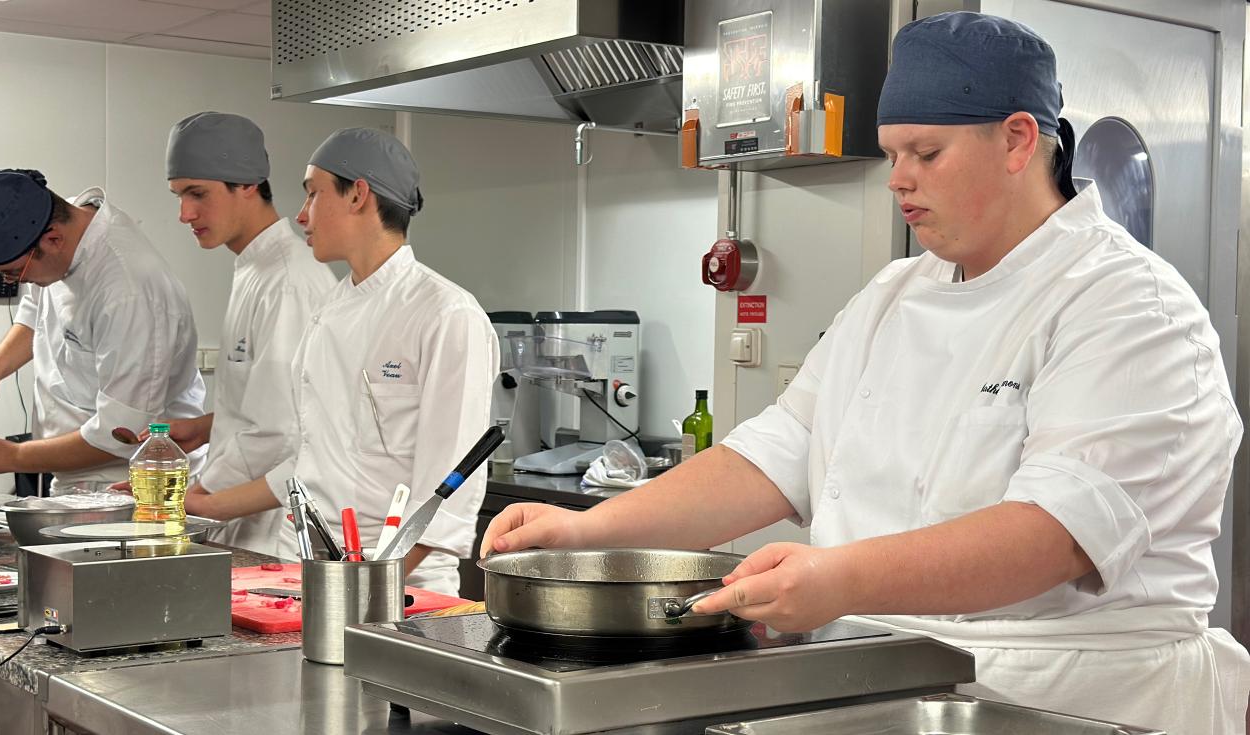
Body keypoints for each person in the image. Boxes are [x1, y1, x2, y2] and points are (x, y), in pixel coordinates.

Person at [481, 12, 1250, 733]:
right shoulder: (893, 293)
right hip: (886, 683)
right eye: (891, 154)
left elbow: (1054, 536)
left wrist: (840, 578)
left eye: (926, 153)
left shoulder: (1130, 307)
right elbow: (771, 456)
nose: (898, 180)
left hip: (1067, 702)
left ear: (1019, 141)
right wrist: (586, 533)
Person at [196, 127, 498, 594]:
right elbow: (314, 461)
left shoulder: (445, 313)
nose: (300, 216)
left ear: (358, 194)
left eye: (313, 195)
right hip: (317, 571)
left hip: (402, 585)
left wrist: (370, 585)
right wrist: (205, 506)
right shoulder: (329, 311)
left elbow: (450, 488)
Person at [0, 169, 206, 493]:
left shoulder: (129, 290)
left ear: (53, 239)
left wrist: (12, 456)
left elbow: (120, 432)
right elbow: (36, 312)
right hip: (74, 480)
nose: (14, 282)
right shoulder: (64, 223)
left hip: (134, 486)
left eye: (15, 272)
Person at [155, 111, 337, 556]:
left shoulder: (289, 280)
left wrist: (189, 495)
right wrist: (205, 428)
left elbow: (279, 432)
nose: (185, 213)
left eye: (198, 194)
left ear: (249, 185)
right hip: (240, 519)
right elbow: (275, 401)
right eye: (179, 195)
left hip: (274, 533)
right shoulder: (255, 268)